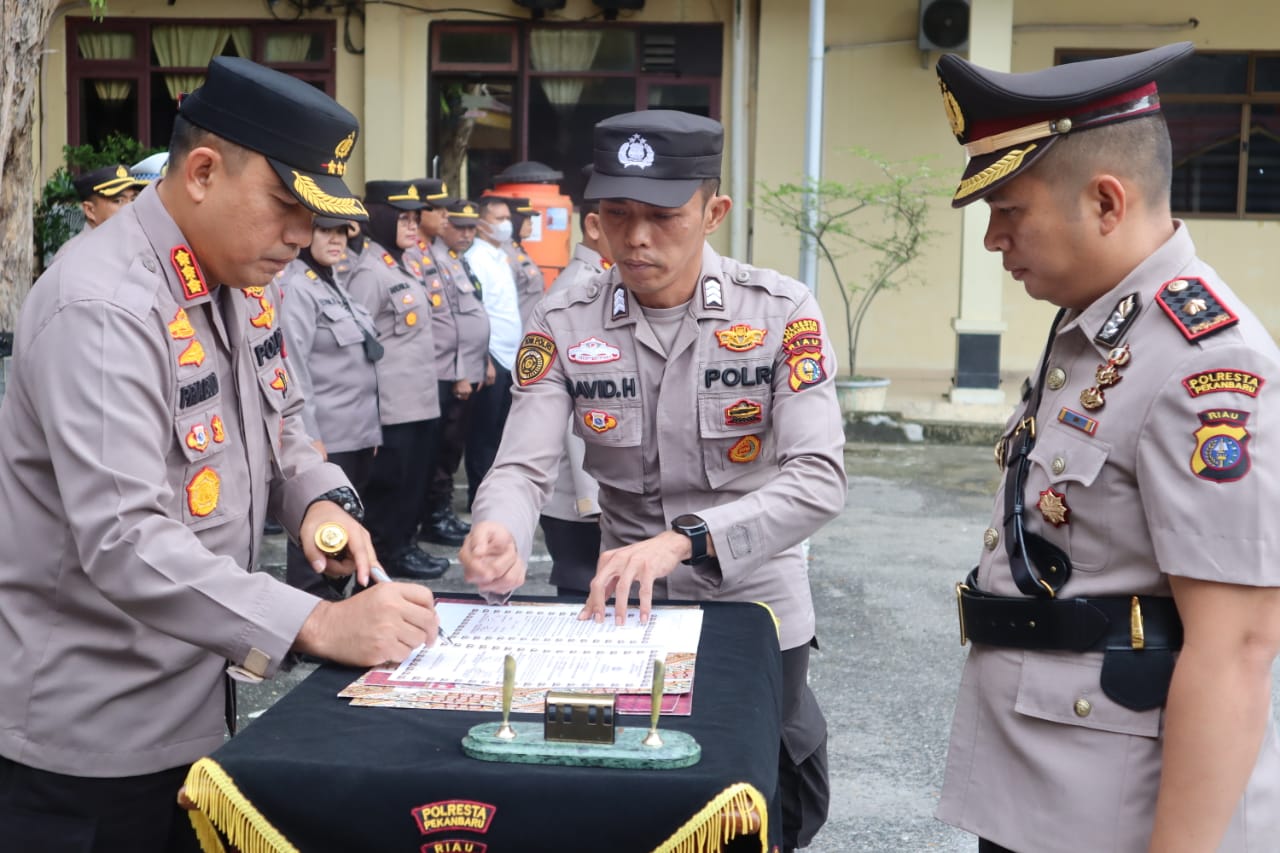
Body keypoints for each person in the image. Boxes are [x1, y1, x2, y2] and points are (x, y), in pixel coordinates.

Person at [0, 56, 439, 853]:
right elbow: (126, 538)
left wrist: (320, 504)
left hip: (195, 705)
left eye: (314, 215)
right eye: (284, 206)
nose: (303, 237)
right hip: (90, 745)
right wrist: (315, 622)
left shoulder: (240, 280)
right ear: (203, 171)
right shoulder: (103, 305)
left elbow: (286, 424)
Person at [459, 110, 847, 852]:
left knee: (766, 806)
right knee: (630, 801)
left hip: (753, 607)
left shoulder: (779, 313)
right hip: (627, 613)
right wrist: (498, 527)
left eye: (663, 216)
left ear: (713, 211)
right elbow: (521, 464)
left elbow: (819, 478)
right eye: (617, 214)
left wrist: (685, 541)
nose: (636, 238)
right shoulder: (562, 320)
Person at [934, 43, 1280, 852]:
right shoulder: (1099, 324)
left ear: (1106, 201)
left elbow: (1238, 645)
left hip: (1116, 819)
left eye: (1008, 211)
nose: (993, 240)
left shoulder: (1206, 359)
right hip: (1052, 787)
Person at [344, 179, 449, 580]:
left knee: (413, 483)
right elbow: (358, 345)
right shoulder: (369, 272)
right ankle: (388, 550)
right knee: (391, 486)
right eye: (402, 218)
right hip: (392, 405)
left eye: (413, 218)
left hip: (419, 401)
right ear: (383, 219)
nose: (411, 225)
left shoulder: (398, 263)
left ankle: (404, 544)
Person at [277, 214, 383, 599]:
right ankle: (309, 620)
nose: (335, 240)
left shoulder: (333, 282)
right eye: (325, 231)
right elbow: (294, 368)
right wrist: (309, 437)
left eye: (341, 232)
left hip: (355, 432)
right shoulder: (297, 288)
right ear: (306, 234)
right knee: (316, 533)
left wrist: (372, 429)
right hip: (326, 436)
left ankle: (340, 609)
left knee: (345, 530)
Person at [539, 191, 611, 596]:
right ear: (595, 226)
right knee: (584, 592)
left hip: (591, 491)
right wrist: (593, 499)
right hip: (580, 497)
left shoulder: (603, 283)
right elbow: (577, 406)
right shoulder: (580, 293)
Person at [420, 199, 489, 546]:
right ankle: (435, 516)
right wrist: (463, 373)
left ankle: (440, 512)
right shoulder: (432, 261)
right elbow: (447, 326)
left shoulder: (456, 262)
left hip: (470, 368)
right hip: (449, 373)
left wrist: (483, 361)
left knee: (453, 446)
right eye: (458, 225)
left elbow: (472, 313)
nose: (465, 233)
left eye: (471, 227)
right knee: (443, 450)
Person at [463, 195, 523, 509]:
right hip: (492, 357)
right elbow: (478, 311)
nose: (505, 224)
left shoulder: (501, 256)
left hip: (510, 356)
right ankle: (480, 497)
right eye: (498, 218)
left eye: (506, 217)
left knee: (502, 433)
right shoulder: (476, 258)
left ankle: (497, 496)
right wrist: (483, 356)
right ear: (483, 223)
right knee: (483, 436)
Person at [50, 164, 148, 263]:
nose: (129, 207)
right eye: (118, 201)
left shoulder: (135, 247)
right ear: (90, 210)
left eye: (133, 199)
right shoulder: (72, 256)